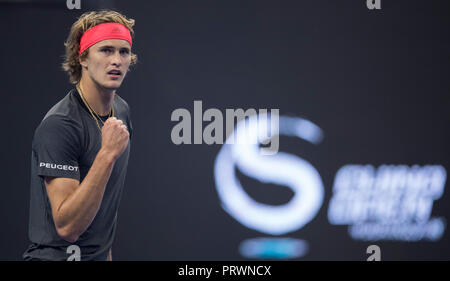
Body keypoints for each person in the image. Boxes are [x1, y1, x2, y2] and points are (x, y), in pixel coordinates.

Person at [23, 10, 137, 261]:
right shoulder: (60, 125)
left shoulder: (122, 111)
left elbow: (104, 215)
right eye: (106, 50)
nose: (116, 60)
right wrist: (106, 154)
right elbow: (68, 228)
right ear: (82, 58)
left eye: (124, 51)